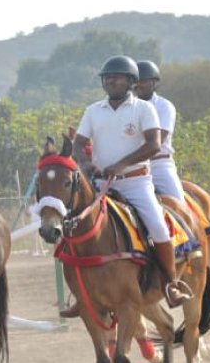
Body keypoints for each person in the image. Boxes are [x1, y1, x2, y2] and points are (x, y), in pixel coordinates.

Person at [62, 55, 192, 317]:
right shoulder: (93, 110)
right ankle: (81, 293)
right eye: (107, 77)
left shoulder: (144, 109)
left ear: (131, 81)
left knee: (157, 227)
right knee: (73, 224)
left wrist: (120, 165)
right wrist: (87, 165)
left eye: (117, 76)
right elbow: (78, 143)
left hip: (136, 182)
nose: (110, 80)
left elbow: (154, 144)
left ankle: (171, 284)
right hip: (100, 185)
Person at [134, 60, 188, 210]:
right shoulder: (127, 107)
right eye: (135, 81)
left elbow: (159, 139)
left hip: (158, 165)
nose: (138, 84)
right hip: (131, 167)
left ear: (154, 83)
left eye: (142, 81)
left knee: (179, 205)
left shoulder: (164, 106)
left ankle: (192, 233)